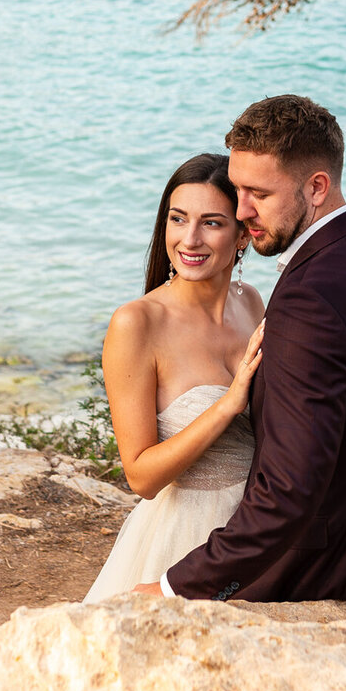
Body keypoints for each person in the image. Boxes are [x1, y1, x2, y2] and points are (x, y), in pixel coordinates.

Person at [141, 94, 346, 620]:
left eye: (257, 193)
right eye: (239, 190)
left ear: (317, 186)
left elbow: (289, 492)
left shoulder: (305, 297)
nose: (242, 211)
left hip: (330, 569)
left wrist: (179, 588)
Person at [84, 153, 267, 600]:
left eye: (212, 223)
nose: (190, 239)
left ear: (243, 234)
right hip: (183, 541)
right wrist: (228, 405)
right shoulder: (137, 324)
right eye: (178, 219)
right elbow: (141, 478)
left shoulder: (252, 304)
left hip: (254, 533)